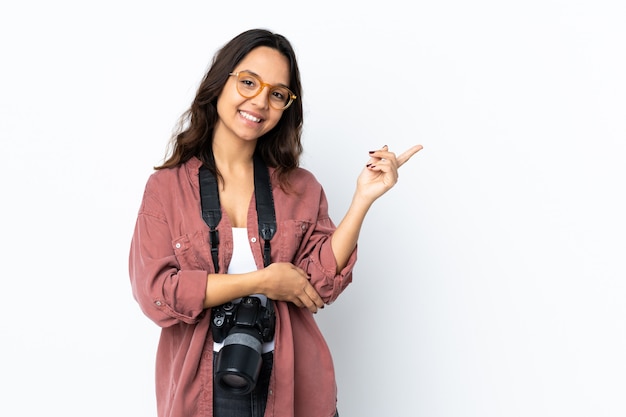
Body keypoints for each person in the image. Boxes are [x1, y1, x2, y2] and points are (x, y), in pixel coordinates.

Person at [129, 28, 422, 417]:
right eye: (248, 82)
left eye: (277, 93)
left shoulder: (299, 187)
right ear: (220, 82)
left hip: (293, 388)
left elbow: (319, 284)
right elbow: (157, 295)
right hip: (202, 394)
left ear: (286, 106)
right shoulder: (166, 188)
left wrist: (362, 199)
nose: (260, 101)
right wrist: (262, 282)